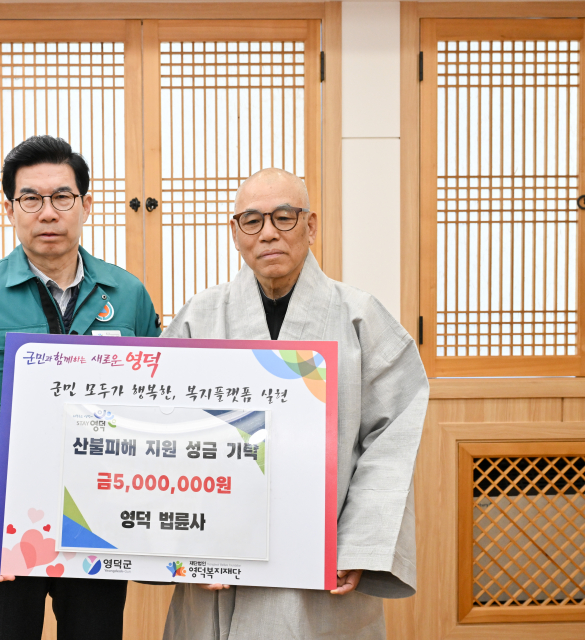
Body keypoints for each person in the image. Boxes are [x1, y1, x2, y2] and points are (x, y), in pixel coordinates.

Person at [161, 168, 428, 639]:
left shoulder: (360, 316)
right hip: (219, 556)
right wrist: (187, 547)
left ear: (311, 225)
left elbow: (393, 440)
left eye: (284, 217)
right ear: (235, 233)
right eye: (252, 220)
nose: (268, 233)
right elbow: (165, 431)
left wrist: (358, 544)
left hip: (322, 556)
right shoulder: (199, 317)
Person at [0, 135, 161, 640]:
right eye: (30, 198)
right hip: (2, 522)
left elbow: (159, 404)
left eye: (62, 197)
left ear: (86, 205)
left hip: (98, 521)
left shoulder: (128, 294)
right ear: (10, 208)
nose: (48, 212)